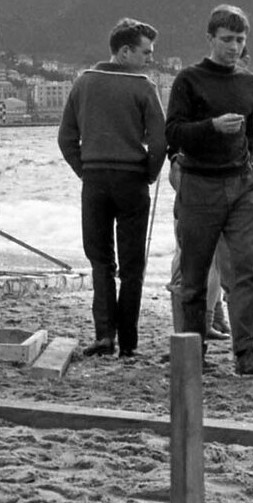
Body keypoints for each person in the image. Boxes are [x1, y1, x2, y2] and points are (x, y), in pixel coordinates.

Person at [165, 4, 253, 375]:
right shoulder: (189, 80)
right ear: (210, 39)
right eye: (226, 40)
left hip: (241, 185)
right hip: (200, 184)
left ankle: (246, 352)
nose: (233, 47)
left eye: (240, 40)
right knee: (193, 276)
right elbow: (174, 133)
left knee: (244, 270)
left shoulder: (250, 85)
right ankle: (193, 355)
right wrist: (211, 126)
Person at [58, 19, 167, 358]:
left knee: (100, 259)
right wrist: (148, 173)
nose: (150, 58)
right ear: (124, 52)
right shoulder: (143, 87)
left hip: (94, 180)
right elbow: (161, 141)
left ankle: (104, 336)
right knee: (133, 264)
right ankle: (129, 342)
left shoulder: (83, 83)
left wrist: (84, 169)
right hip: (132, 180)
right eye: (145, 52)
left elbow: (65, 138)